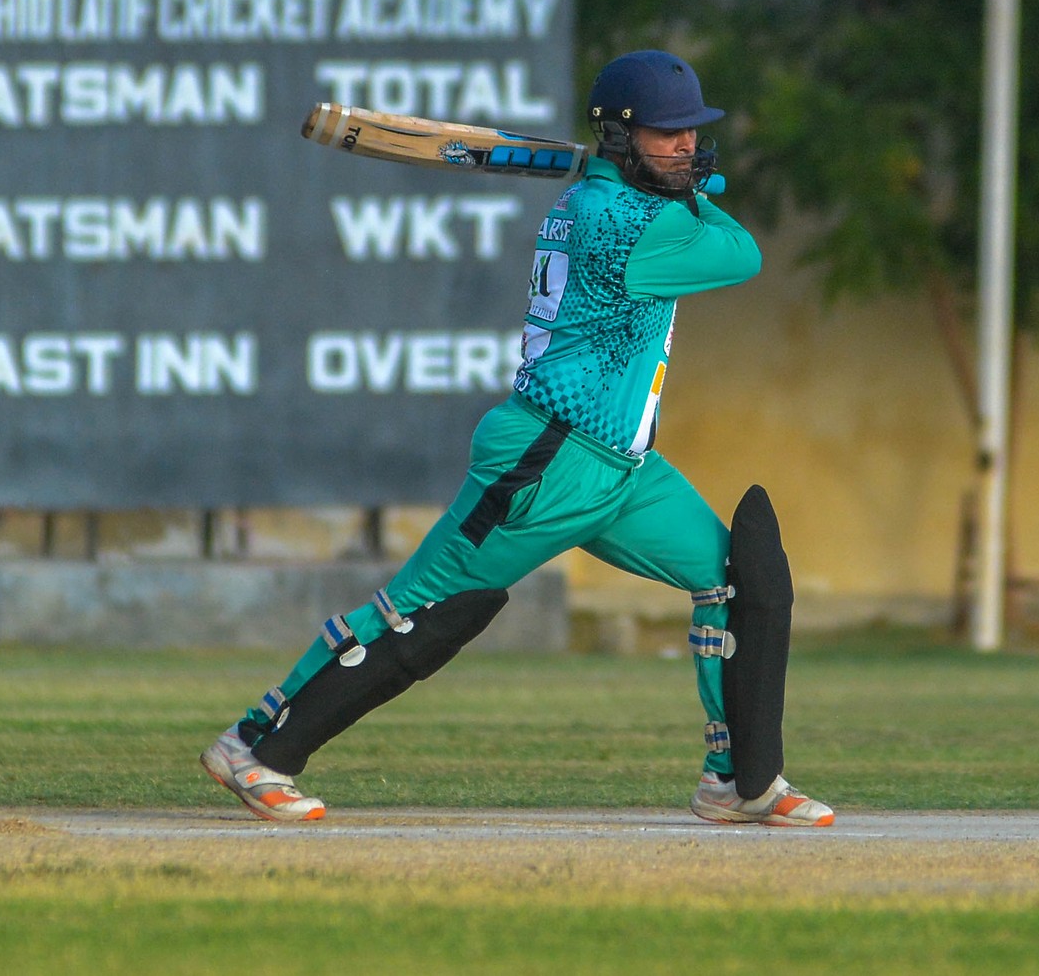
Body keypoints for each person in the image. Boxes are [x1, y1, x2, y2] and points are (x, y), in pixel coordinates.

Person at [200, 50, 834, 828]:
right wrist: (696, 194)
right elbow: (743, 253)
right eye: (666, 134)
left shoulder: (618, 201)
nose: (685, 146)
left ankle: (735, 779)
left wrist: (678, 186)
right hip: (549, 460)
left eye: (691, 133)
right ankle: (252, 746)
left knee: (729, 577)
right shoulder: (625, 221)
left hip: (627, 470)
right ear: (619, 136)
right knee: (419, 611)